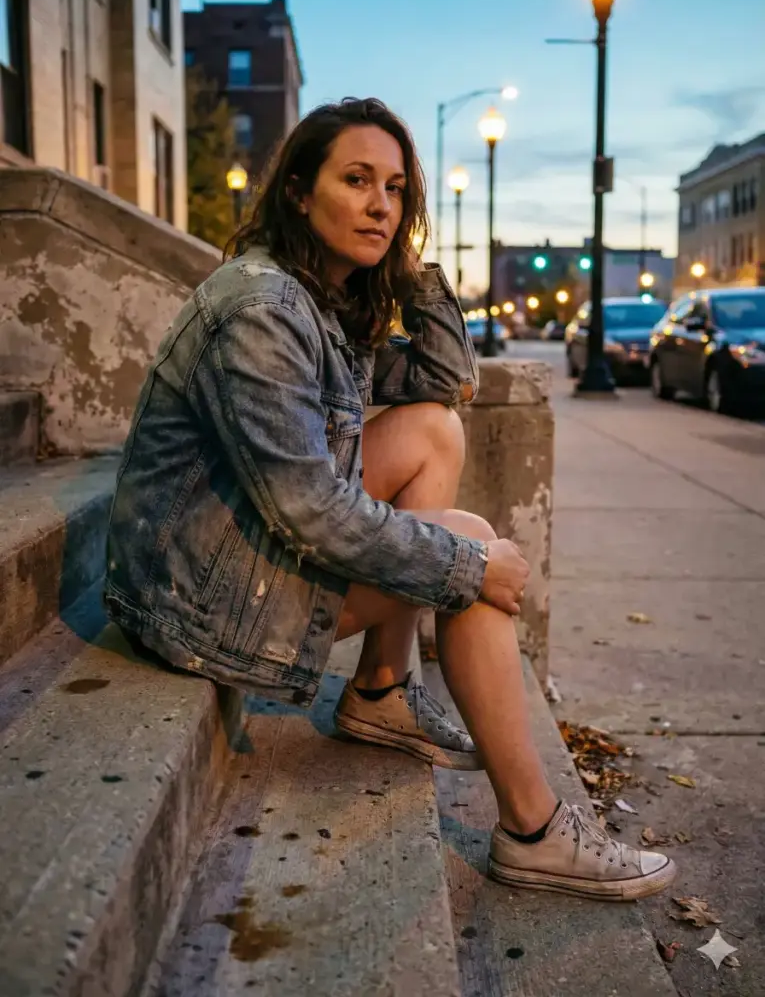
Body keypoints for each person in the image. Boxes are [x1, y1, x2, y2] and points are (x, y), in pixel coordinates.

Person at [104, 97, 676, 902]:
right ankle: (534, 830)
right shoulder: (263, 311)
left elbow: (449, 382)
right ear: (299, 193)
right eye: (357, 181)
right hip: (194, 596)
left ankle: (378, 690)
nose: (381, 204)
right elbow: (307, 510)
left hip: (217, 552)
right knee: (466, 554)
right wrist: (464, 564)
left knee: (432, 431)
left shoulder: (323, 300)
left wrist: (404, 264)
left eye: (397, 190)